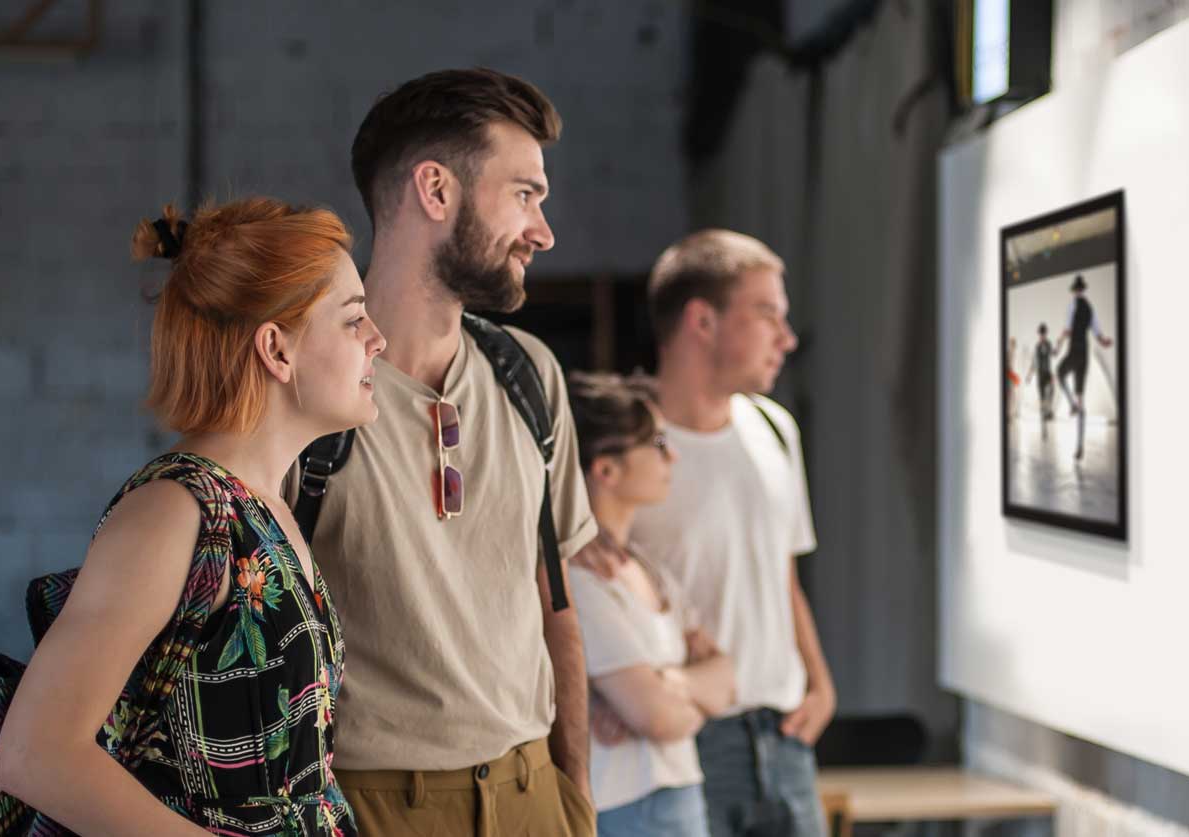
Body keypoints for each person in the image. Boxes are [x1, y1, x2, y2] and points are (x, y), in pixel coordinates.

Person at [0, 198, 384, 835]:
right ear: (277, 351)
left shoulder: (270, 507)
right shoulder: (172, 513)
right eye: (353, 320)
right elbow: (35, 754)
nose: (378, 339)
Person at [299, 68, 598, 835]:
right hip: (373, 804)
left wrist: (576, 795)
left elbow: (554, 600)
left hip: (534, 790)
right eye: (524, 194)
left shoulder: (529, 373)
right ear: (436, 191)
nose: (544, 230)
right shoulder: (304, 384)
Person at [579, 229, 836, 837]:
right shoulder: (625, 452)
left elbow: (782, 578)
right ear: (702, 320)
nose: (787, 338)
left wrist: (822, 688)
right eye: (767, 314)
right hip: (682, 744)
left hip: (785, 733)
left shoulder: (775, 429)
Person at [566, 372, 736, 836]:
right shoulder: (581, 577)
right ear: (606, 470)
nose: (673, 455)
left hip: (680, 793)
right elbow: (657, 716)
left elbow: (728, 680)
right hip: (626, 806)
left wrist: (664, 682)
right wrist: (687, 693)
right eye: (657, 442)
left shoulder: (648, 568)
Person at [1054, 274, 1114, 459]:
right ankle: (1079, 447)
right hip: (1085, 354)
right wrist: (1105, 342)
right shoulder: (1090, 308)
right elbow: (1098, 334)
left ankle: (1071, 404)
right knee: (1082, 399)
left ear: (1074, 290)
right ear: (1084, 289)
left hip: (1074, 349)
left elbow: (1067, 330)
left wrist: (1057, 346)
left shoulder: (1073, 304)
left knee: (1059, 372)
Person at [1027, 323, 1057, 421]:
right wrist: (1029, 375)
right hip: (1040, 374)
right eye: (1041, 334)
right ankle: (1044, 414)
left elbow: (1053, 355)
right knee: (1042, 396)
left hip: (1048, 372)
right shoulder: (1037, 346)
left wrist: (1056, 349)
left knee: (1052, 390)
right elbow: (1034, 362)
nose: (1042, 336)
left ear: (1046, 334)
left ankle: (1048, 411)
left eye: (1044, 334)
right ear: (1039, 334)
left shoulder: (1048, 344)